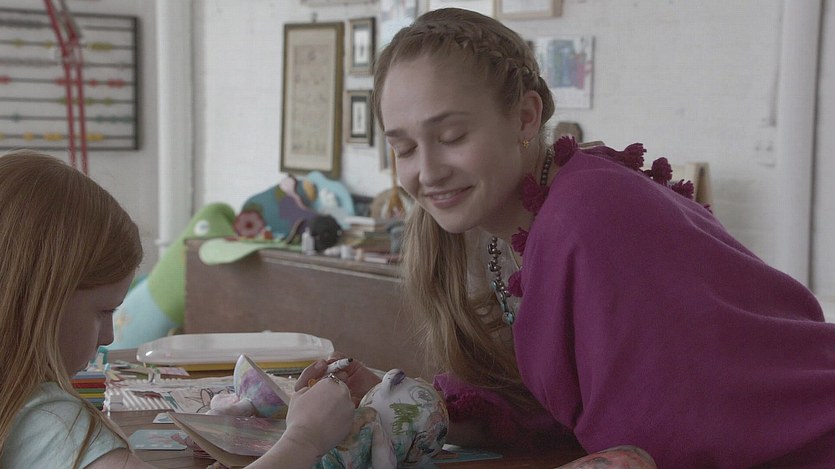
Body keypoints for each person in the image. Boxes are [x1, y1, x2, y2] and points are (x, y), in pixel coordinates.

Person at [302, 7, 835, 468]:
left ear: (525, 117)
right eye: (404, 148)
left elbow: (663, 437)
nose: (428, 171)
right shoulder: (506, 222)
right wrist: (399, 400)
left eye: (452, 136)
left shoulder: (589, 212)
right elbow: (554, 407)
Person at [0, 150, 354, 469]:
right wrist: (303, 439)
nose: (108, 336)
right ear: (40, 299)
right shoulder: (54, 422)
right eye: (103, 311)